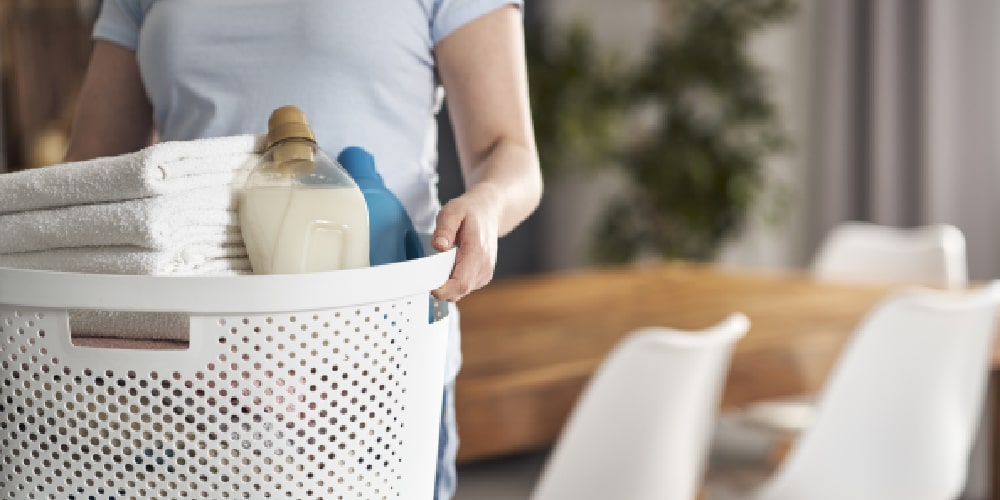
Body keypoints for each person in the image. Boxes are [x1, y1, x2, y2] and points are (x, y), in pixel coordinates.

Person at [64, 2, 543, 499]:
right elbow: (89, 173)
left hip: (375, 368)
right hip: (186, 378)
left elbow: (508, 151)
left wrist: (485, 207)